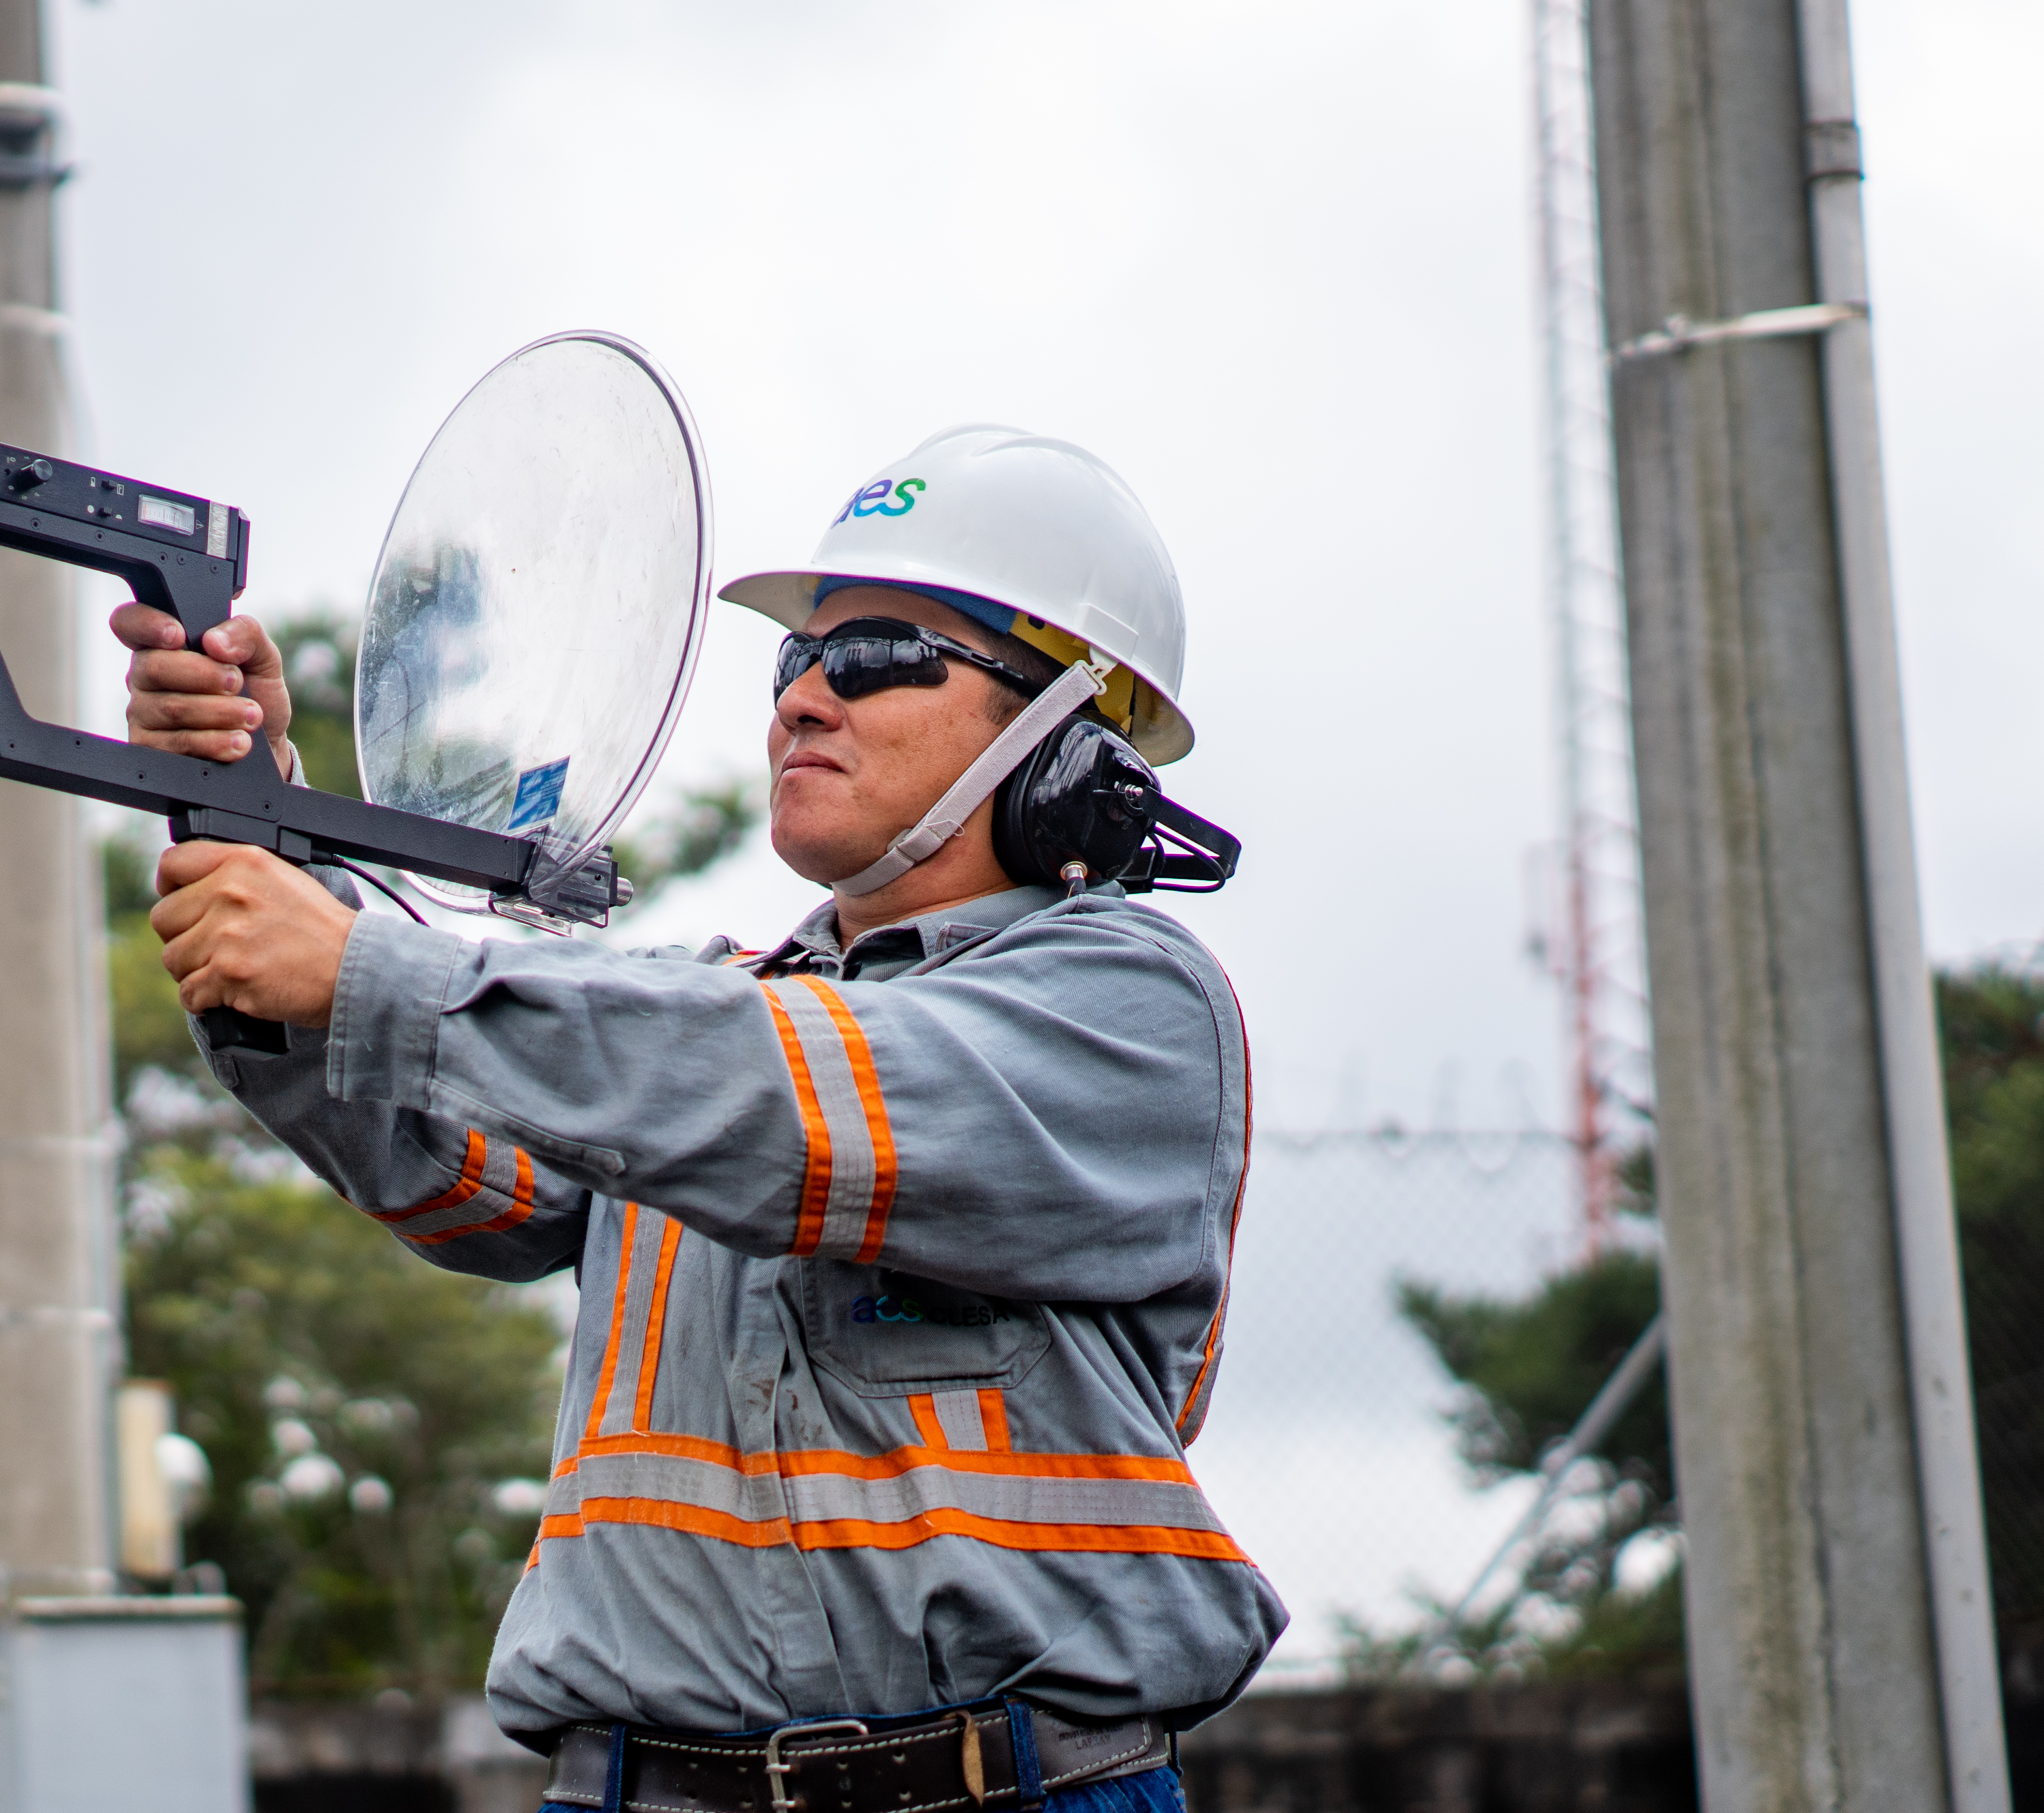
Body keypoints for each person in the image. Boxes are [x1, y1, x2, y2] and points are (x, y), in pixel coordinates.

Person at [112, 426, 1283, 1813]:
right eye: (796, 661)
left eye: (876, 658)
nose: (803, 700)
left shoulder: (1129, 1010)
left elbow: (788, 1100)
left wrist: (366, 967)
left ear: (1062, 739)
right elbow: (444, 1151)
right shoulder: (682, 1039)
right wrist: (253, 821)